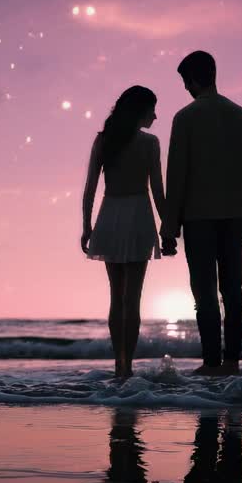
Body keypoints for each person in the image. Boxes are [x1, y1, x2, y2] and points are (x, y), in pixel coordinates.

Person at [160, 50, 242, 376]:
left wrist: (169, 226)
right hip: (234, 215)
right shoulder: (241, 115)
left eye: (185, 82)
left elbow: (176, 175)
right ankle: (231, 362)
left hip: (198, 217)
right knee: (233, 290)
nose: (186, 89)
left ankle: (210, 362)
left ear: (192, 80)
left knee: (204, 291)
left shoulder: (185, 118)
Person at [81, 85, 165, 379]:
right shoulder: (150, 143)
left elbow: (90, 187)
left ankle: (120, 366)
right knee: (133, 299)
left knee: (116, 298)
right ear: (140, 111)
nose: (156, 115)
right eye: (152, 109)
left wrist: (86, 225)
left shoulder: (105, 140)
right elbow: (157, 190)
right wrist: (167, 226)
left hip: (110, 216)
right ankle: (126, 366)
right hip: (139, 217)